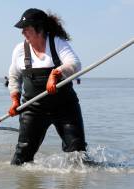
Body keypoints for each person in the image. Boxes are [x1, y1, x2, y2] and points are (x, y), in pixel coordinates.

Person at [8, 8, 87, 165]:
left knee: (78, 154)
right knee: (21, 159)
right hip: (33, 108)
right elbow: (14, 76)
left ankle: (76, 188)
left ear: (39, 28)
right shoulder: (20, 50)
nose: (23, 32)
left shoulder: (57, 42)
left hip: (65, 107)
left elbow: (75, 64)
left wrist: (56, 74)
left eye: (26, 28)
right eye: (22, 29)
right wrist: (15, 99)